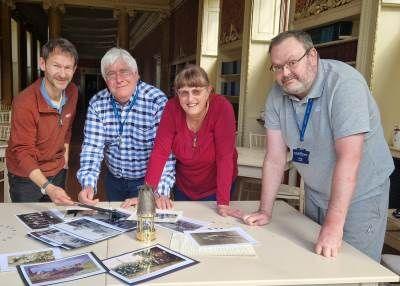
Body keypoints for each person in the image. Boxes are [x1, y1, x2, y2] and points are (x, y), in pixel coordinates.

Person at [242, 30, 394, 262]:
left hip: (360, 196)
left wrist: (333, 225)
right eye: (277, 66)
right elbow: (274, 158)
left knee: (353, 268)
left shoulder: (345, 85)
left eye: (292, 63)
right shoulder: (276, 95)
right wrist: (265, 210)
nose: (285, 73)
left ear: (312, 55)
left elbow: (349, 159)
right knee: (314, 263)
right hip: (316, 192)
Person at [123, 65, 240, 217]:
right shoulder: (172, 108)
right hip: (184, 186)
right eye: (184, 93)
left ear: (209, 90)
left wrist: (223, 201)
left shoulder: (222, 108)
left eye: (196, 91)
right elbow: (160, 153)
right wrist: (146, 196)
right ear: (177, 94)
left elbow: (225, 157)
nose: (190, 99)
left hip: (217, 186)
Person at [76, 47, 175, 204]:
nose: (118, 79)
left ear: (136, 75)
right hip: (114, 181)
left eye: (125, 72)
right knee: (118, 225)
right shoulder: (97, 103)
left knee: (145, 224)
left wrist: (159, 192)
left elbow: (165, 152)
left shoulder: (157, 101)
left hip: (148, 180)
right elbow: (92, 148)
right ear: (105, 80)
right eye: (111, 74)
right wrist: (88, 185)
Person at [6, 38, 78, 204]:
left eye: (68, 67)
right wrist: (47, 186)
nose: (62, 73)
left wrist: (64, 159)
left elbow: (67, 128)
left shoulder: (72, 92)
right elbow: (22, 151)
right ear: (43, 64)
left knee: (54, 222)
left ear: (74, 69)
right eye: (56, 65)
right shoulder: (24, 102)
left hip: (57, 170)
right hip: (25, 176)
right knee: (27, 224)